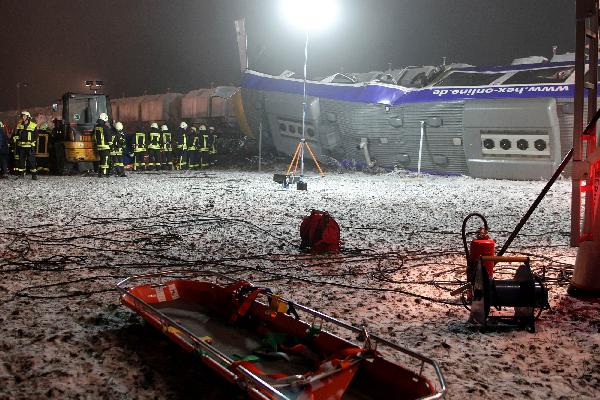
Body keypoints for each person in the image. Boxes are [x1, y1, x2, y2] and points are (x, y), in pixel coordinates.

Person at [14, 111, 38, 180]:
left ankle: (34, 175)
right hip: (21, 147)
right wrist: (17, 139)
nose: (23, 117)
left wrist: (32, 141)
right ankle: (22, 174)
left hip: (30, 147)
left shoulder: (33, 125)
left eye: (24, 116)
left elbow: (36, 136)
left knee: (32, 161)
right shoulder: (19, 125)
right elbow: (17, 135)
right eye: (22, 116)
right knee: (21, 161)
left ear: (28, 117)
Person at [94, 112, 112, 177]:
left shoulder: (96, 127)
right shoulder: (105, 127)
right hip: (105, 147)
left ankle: (100, 173)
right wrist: (112, 146)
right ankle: (104, 173)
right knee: (106, 161)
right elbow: (109, 137)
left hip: (99, 147)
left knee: (101, 161)